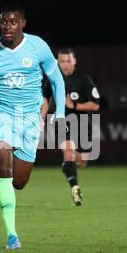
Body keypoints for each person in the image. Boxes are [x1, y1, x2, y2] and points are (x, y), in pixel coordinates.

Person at [0, 4, 66, 249]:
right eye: (3, 22)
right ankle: (12, 235)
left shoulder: (38, 47)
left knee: (19, 182)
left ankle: (9, 191)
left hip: (30, 119)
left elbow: (57, 81)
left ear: (23, 23)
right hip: (3, 117)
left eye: (12, 22)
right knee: (2, 157)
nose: (7, 27)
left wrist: (61, 114)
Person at [41, 48, 100, 206]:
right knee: (68, 152)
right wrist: (41, 117)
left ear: (74, 61)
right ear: (57, 62)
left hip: (81, 123)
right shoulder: (53, 77)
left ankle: (67, 167)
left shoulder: (83, 79)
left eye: (68, 61)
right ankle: (75, 187)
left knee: (81, 161)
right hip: (60, 120)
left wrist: (73, 105)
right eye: (62, 61)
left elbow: (95, 105)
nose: (65, 65)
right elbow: (45, 98)